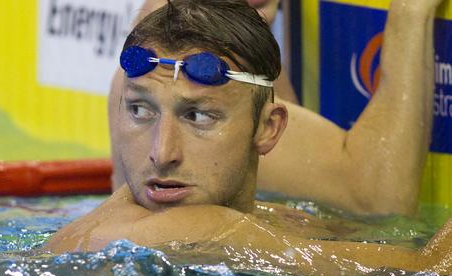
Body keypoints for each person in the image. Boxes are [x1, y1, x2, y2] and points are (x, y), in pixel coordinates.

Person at [46, 0, 452, 276]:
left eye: (198, 116)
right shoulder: (200, 226)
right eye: (140, 111)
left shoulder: (240, 218)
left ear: (269, 127)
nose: (161, 154)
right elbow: (425, 271)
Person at [109, 0, 436, 216]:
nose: (162, 152)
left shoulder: (153, 56)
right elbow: (380, 200)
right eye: (139, 110)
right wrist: (411, 11)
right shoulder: (189, 58)